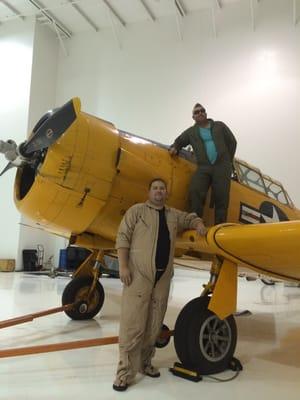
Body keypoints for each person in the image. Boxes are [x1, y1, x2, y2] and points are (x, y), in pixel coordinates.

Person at [113, 178, 207, 391]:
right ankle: (124, 373)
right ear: (149, 192)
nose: (158, 191)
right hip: (138, 276)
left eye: (162, 188)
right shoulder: (137, 211)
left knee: (154, 325)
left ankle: (145, 363)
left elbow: (189, 218)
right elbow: (122, 237)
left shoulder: (173, 215)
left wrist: (198, 223)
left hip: (162, 279)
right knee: (132, 326)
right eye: (154, 188)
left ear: (166, 193)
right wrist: (123, 266)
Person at [169, 103, 237, 224]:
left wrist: (227, 160)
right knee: (195, 190)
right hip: (204, 166)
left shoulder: (219, 126)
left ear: (205, 113)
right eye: (196, 112)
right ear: (193, 117)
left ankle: (220, 227)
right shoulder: (191, 132)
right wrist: (175, 147)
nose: (200, 113)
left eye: (202, 111)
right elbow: (180, 140)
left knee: (222, 197)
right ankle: (195, 222)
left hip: (222, 166)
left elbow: (232, 142)